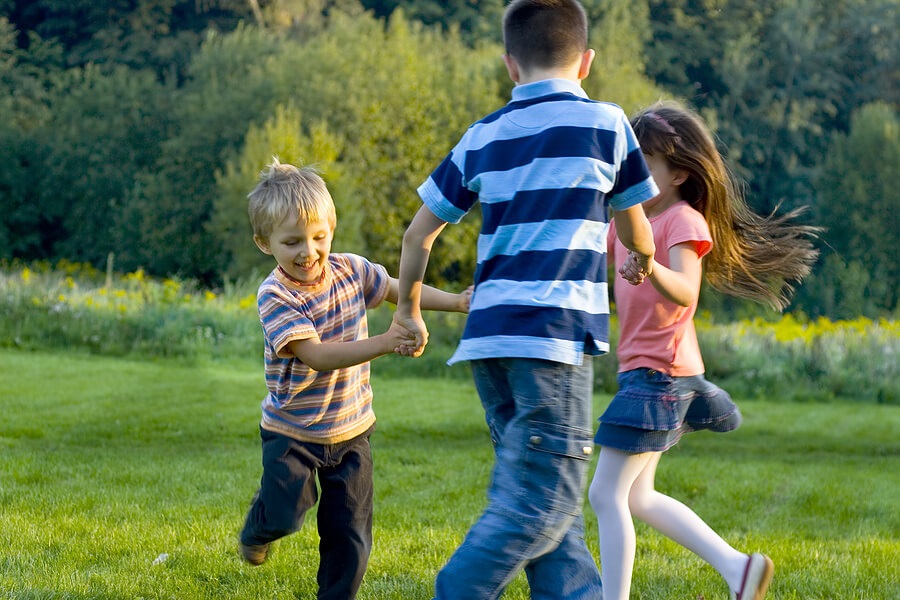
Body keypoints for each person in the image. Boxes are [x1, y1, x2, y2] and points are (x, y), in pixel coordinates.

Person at [393, 1, 658, 597]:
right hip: (552, 339)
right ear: (586, 61)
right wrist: (639, 257)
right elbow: (636, 226)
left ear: (511, 65)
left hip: (488, 340)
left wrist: (408, 310)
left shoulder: (482, 136)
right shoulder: (607, 125)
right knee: (542, 501)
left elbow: (418, 235)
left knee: (544, 495)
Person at [588, 100, 819, 600]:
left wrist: (650, 266)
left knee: (605, 494)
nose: (632, 175)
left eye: (644, 165)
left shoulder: (681, 221)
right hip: (644, 373)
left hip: (662, 375)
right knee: (638, 496)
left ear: (678, 174)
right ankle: (738, 569)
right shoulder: (626, 224)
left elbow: (688, 292)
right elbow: (588, 261)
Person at [237, 159, 471, 600]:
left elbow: (397, 288)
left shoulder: (350, 270)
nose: (309, 251)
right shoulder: (275, 294)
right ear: (264, 243)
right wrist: (387, 342)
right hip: (293, 432)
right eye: (292, 242)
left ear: (331, 229)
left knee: (351, 535)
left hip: (352, 428)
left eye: (319, 237)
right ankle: (259, 527)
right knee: (286, 515)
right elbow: (316, 356)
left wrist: (457, 302)